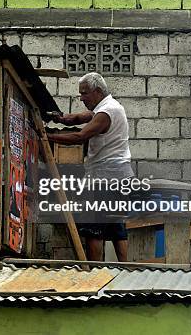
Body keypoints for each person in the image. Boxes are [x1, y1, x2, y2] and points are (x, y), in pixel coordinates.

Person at [46, 72, 133, 262]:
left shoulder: (106, 112)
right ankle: (126, 271)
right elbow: (79, 117)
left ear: (98, 91)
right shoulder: (110, 106)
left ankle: (95, 272)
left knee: (93, 228)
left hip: (106, 177)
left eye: (85, 93)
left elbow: (80, 137)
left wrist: (48, 137)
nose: (82, 98)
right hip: (119, 176)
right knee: (116, 225)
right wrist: (61, 119)